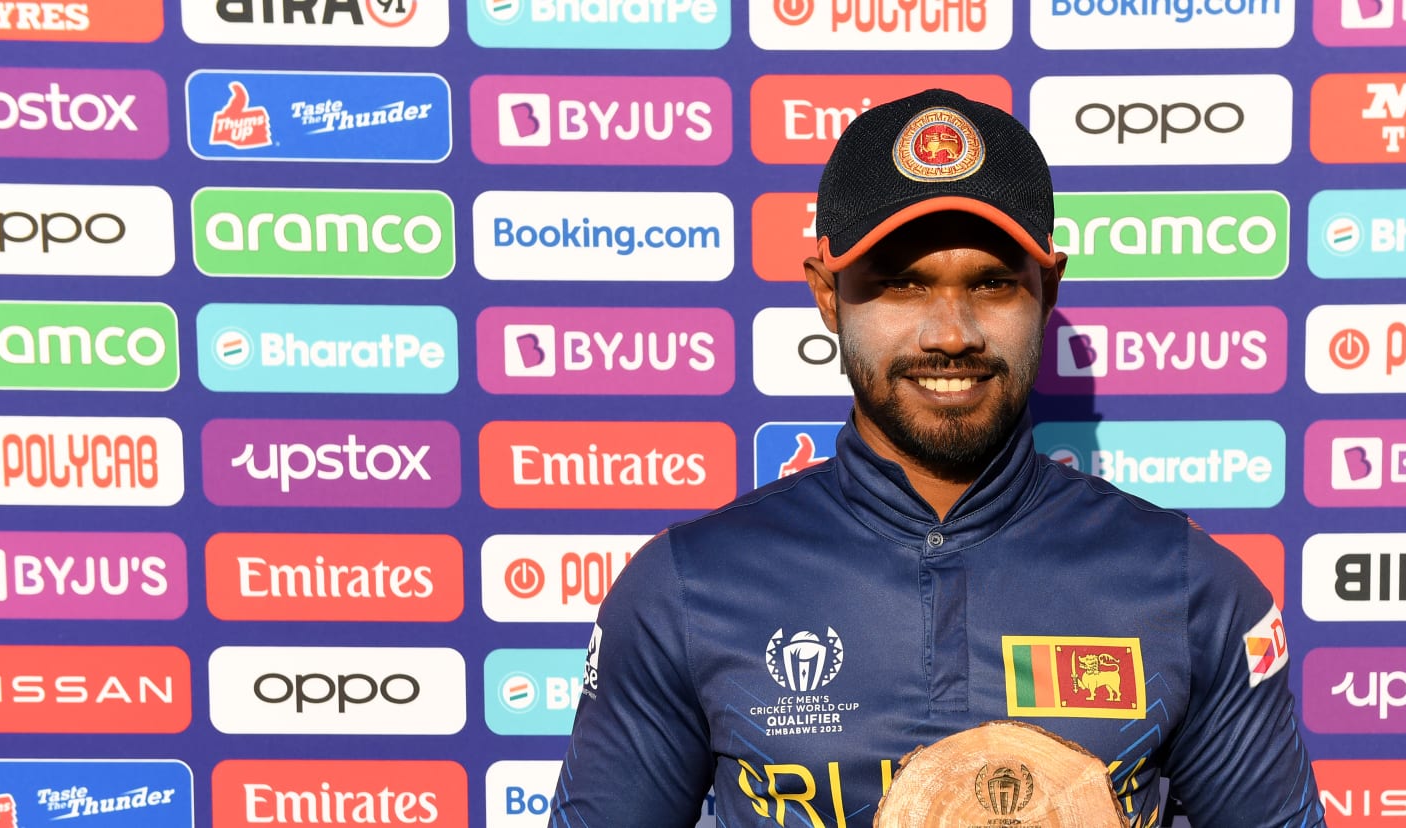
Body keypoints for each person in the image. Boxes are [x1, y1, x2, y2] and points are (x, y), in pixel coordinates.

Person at [547, 88, 1326, 828]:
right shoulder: (687, 587)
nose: (950, 332)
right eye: (900, 285)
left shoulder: (1190, 589)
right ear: (827, 293)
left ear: (1047, 291)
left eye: (991, 283)